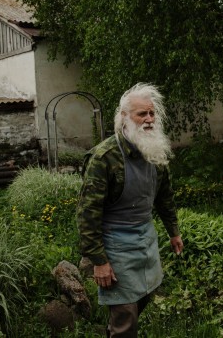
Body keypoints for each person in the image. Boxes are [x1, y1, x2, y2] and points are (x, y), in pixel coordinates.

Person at [76, 83, 184, 337]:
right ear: (124, 117)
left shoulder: (154, 150)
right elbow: (87, 214)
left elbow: (164, 197)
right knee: (125, 314)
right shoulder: (105, 158)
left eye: (151, 113)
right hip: (116, 244)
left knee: (143, 296)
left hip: (145, 239)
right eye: (141, 114)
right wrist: (99, 261)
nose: (148, 119)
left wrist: (173, 232)